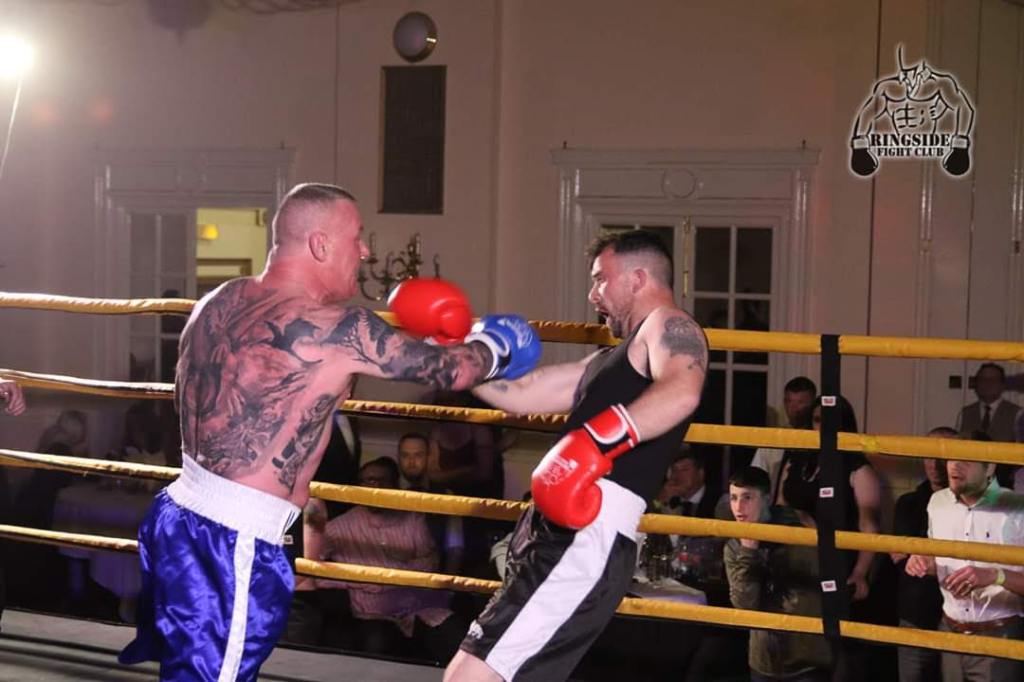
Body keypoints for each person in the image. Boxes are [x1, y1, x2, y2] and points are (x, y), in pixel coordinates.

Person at [118, 183, 541, 681]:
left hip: (177, 510)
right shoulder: (337, 327)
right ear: (320, 244)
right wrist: (497, 343)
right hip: (232, 542)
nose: (364, 252)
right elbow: (455, 371)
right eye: (356, 237)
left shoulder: (218, 299)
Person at [445, 230, 708, 682]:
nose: (592, 295)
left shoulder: (669, 324)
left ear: (638, 278)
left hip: (588, 530)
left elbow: (683, 390)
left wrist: (593, 443)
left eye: (600, 279)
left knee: (470, 676)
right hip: (554, 528)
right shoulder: (608, 360)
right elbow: (523, 393)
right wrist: (454, 352)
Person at [305, 457, 465, 661]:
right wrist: (357, 580)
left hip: (415, 603)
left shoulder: (413, 519)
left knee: (455, 635)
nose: (375, 487)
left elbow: (429, 561)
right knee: (376, 641)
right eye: (368, 481)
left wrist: (390, 577)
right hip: (370, 610)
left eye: (382, 481)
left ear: (394, 485)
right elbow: (314, 567)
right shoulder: (339, 527)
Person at [905, 446, 1024, 682]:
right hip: (950, 630)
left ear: (989, 468)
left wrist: (995, 575)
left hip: (998, 635)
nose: (955, 466)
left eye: (966, 460)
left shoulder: (1017, 507)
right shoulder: (938, 501)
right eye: (952, 459)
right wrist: (923, 563)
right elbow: (938, 560)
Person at [724, 466, 831, 681]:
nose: (739, 507)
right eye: (734, 498)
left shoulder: (798, 529)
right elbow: (744, 607)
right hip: (765, 660)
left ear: (766, 499)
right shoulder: (735, 545)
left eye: (747, 498)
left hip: (807, 658)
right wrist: (748, 552)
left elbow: (811, 594)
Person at [890, 427, 952, 682]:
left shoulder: (969, 505)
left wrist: (923, 555)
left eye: (942, 456)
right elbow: (899, 555)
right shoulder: (908, 503)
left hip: (958, 616)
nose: (934, 464)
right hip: (916, 612)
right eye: (928, 455)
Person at [750, 376, 816, 501]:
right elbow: (754, 481)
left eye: (800, 402)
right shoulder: (773, 440)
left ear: (813, 404)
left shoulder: (819, 440)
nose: (794, 408)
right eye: (789, 401)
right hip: (774, 508)